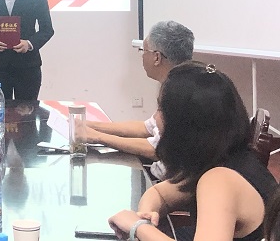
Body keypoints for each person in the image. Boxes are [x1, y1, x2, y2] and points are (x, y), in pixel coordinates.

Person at [108, 62, 278, 241]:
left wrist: (138, 227)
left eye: (161, 110)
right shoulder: (225, 157)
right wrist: (147, 214)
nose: (155, 118)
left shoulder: (219, 181)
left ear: (183, 126)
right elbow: (159, 194)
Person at [86, 20, 194, 178]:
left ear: (157, 57)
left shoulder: (181, 93)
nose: (142, 56)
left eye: (144, 51)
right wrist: (90, 125)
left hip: (170, 182)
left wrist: (97, 137)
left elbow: (156, 148)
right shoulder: (178, 83)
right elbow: (147, 128)